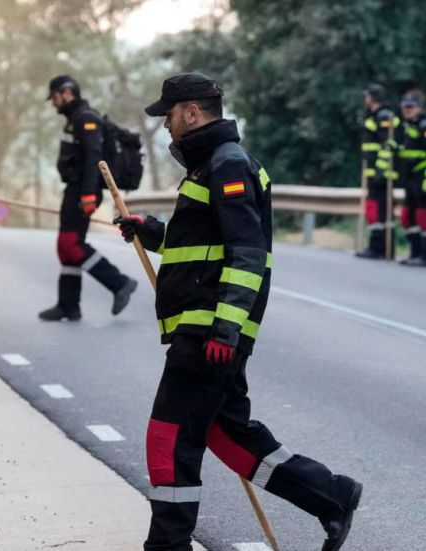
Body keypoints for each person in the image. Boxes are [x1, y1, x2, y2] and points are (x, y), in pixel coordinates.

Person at [115, 72, 363, 551]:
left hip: (210, 329)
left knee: (168, 438)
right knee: (230, 438)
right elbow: (201, 247)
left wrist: (226, 329)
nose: (165, 125)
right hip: (209, 328)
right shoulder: (209, 166)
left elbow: (247, 254)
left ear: (192, 112)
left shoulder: (227, 165)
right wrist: (150, 231)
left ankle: (168, 543)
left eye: (169, 114)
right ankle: (332, 496)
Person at [39, 75, 137, 321]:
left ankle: (119, 283)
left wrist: (87, 194)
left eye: (55, 97)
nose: (53, 103)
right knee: (65, 246)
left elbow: (94, 158)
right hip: (75, 189)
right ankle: (68, 305)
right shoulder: (74, 120)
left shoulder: (87, 119)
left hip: (84, 191)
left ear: (67, 92)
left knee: (72, 244)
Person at [396, 89, 426, 266]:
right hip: (409, 178)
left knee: (423, 216)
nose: (408, 110)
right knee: (407, 216)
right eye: (405, 107)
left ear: (419, 108)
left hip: (423, 178)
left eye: (411, 107)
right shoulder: (405, 127)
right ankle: (415, 253)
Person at [356, 83, 399, 259]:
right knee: (379, 210)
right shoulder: (374, 116)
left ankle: (380, 247)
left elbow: (387, 145)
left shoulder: (383, 116)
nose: (366, 99)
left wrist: (380, 170)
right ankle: (381, 247)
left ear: (373, 97)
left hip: (382, 173)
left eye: (367, 96)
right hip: (375, 172)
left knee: (378, 210)